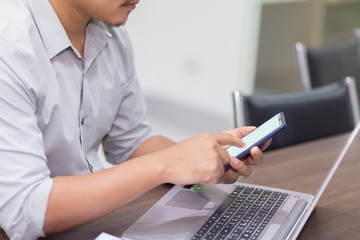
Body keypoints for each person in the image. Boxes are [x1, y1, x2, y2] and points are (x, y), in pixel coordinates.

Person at [0, 0, 271, 239]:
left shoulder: (112, 36)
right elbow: (27, 210)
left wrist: (203, 156)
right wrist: (165, 163)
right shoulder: (9, 46)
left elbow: (131, 140)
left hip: (92, 222)